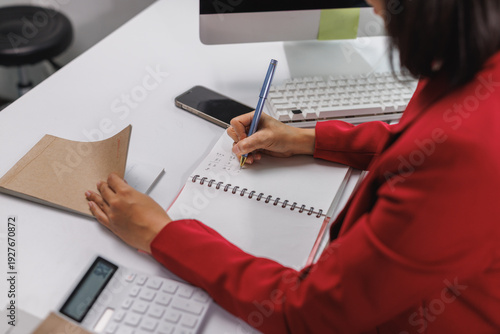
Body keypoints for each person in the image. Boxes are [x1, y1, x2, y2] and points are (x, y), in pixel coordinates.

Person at [85, 0, 500, 332]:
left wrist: (162, 234)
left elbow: (309, 311)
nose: (374, 6)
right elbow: (422, 136)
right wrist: (305, 138)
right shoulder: (478, 59)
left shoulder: (466, 158)